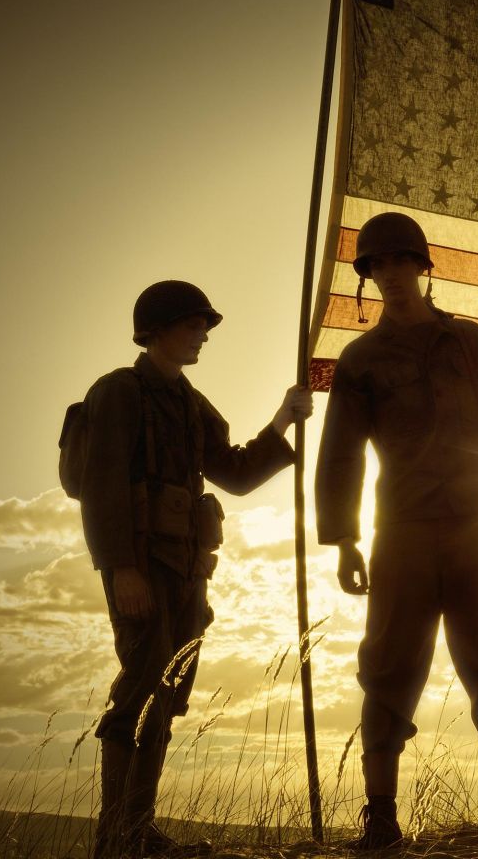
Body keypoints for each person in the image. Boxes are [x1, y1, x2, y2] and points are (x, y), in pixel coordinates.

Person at [315, 211, 478, 854]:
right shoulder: (360, 359)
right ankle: (380, 820)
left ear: (422, 266)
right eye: (376, 266)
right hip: (405, 531)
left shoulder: (472, 343)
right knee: (387, 669)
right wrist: (344, 538)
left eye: (399, 262)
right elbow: (342, 454)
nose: (390, 275)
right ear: (369, 276)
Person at [75, 280, 310, 859]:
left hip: (186, 569)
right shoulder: (119, 392)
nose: (203, 333)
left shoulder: (189, 402)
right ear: (156, 330)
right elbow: (100, 489)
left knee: (169, 690)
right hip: (139, 567)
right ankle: (116, 836)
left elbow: (232, 472)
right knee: (140, 684)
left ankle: (138, 827)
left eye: (204, 325)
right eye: (192, 324)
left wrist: (282, 420)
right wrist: (120, 569)